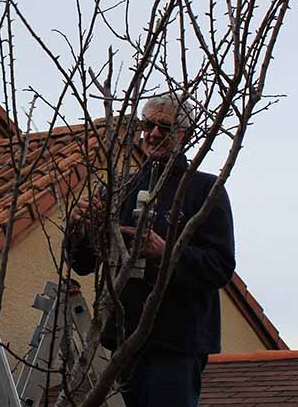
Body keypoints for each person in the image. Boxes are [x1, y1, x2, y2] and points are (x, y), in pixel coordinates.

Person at [65, 93, 235, 407]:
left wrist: (165, 253)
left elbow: (220, 267)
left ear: (185, 135)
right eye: (148, 125)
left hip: (176, 344)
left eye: (165, 127)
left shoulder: (204, 190)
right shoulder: (117, 189)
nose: (154, 133)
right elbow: (84, 264)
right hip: (121, 338)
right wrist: (79, 230)